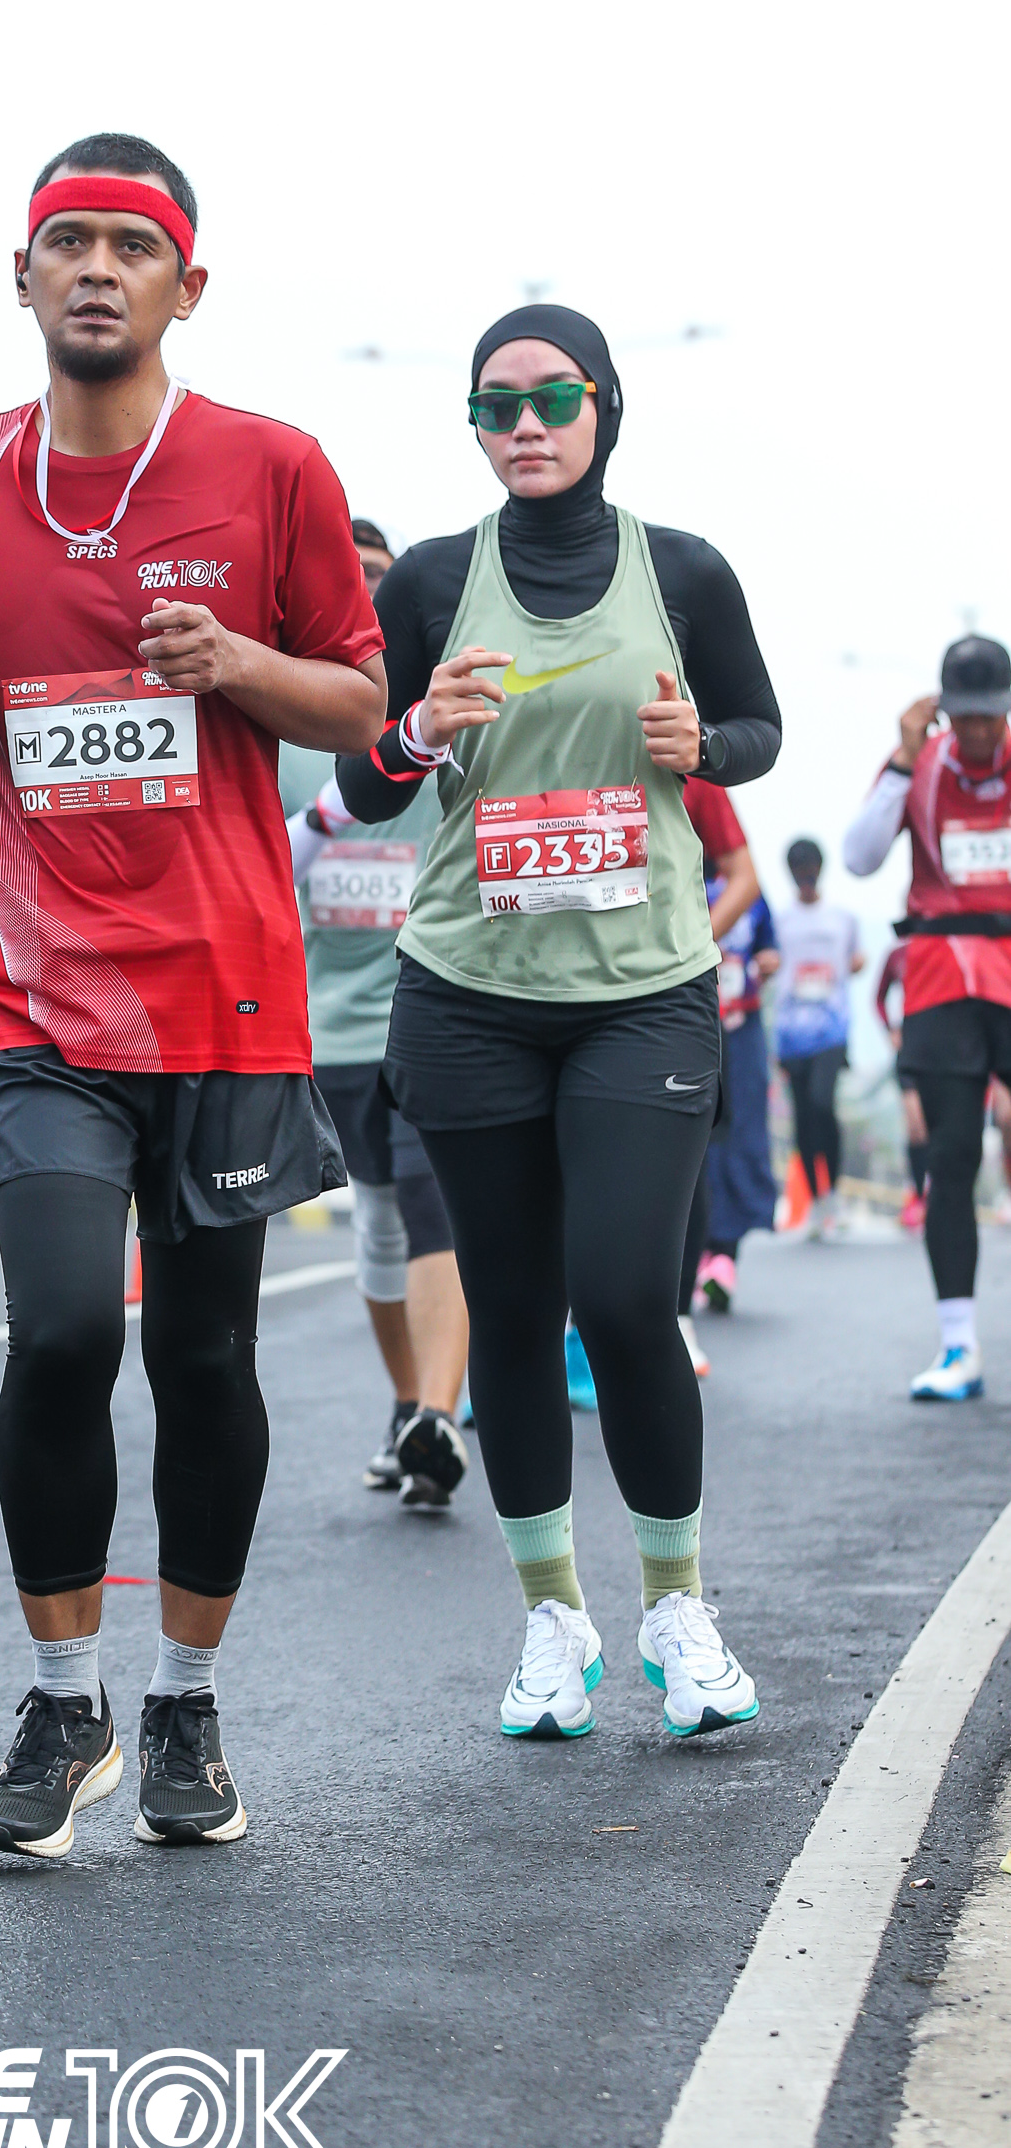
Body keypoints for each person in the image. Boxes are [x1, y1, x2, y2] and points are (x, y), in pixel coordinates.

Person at [0, 132, 385, 1854]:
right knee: (67, 1331)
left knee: (207, 1355)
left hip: (226, 991)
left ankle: (185, 1705)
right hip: (25, 989)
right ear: (21, 275)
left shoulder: (271, 467)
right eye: (68, 241)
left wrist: (236, 663)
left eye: (132, 246)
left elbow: (360, 705)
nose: (97, 268)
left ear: (188, 284)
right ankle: (60, 1698)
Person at [334, 303, 781, 1741]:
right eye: (495, 405)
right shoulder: (432, 583)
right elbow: (363, 786)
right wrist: (419, 727)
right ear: (473, 425)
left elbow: (759, 730)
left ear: (604, 409)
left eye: (551, 398)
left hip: (641, 994)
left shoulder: (683, 571)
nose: (523, 424)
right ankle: (550, 1621)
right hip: (467, 994)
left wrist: (701, 745)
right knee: (514, 1310)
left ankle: (677, 1608)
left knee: (626, 1297)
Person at [280, 520, 471, 1508]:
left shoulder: (447, 719)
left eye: (379, 583)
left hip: (435, 1005)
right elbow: (263, 867)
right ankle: (408, 1407)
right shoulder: (285, 735)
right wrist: (327, 812)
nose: (363, 596)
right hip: (332, 1026)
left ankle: (439, 1412)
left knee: (434, 1203)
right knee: (383, 1221)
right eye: (346, 578)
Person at [843, 634, 1011, 1400]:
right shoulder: (921, 763)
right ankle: (958, 1348)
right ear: (944, 709)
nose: (976, 730)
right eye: (964, 715)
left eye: (989, 715)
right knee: (952, 1156)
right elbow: (859, 857)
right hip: (942, 975)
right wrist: (904, 760)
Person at [673, 778, 765, 1373]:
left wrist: (688, 947)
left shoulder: (685, 760)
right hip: (549, 985)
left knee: (689, 1152)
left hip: (673, 997)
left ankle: (680, 1315)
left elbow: (746, 878)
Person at [689, 791, 778, 1316]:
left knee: (739, 1136)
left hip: (740, 1030)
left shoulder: (751, 897)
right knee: (689, 1138)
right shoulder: (676, 884)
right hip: (686, 1021)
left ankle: (724, 1254)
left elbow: (770, 945)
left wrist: (768, 961)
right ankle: (693, 1258)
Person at [771, 839, 864, 1237]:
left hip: (831, 1028)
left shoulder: (842, 918)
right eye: (800, 873)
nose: (806, 880)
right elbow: (770, 962)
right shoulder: (781, 921)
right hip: (792, 1031)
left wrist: (854, 965)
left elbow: (857, 958)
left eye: (811, 872)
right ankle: (816, 1199)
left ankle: (835, 1192)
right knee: (804, 1118)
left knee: (822, 1104)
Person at [874, 942, 930, 1230]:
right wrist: (890, 1029)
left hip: (942, 1045)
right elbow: (878, 997)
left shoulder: (942, 946)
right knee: (916, 1125)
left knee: (940, 1124)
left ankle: (941, 1193)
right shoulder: (897, 955)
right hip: (909, 1046)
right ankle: (918, 1195)